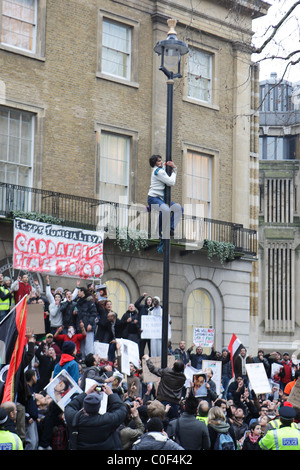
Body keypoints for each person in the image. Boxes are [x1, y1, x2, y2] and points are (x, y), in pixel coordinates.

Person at [64, 383, 127, 450]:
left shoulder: (74, 419)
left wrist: (86, 393)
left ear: (84, 407)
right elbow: (121, 410)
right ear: (99, 407)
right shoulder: (107, 420)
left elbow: (69, 406)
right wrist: (111, 394)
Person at [147, 154, 183, 253]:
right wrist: (174, 170)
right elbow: (171, 182)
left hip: (162, 199)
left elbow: (165, 167)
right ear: (154, 163)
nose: (161, 162)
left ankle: (171, 228)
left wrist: (171, 165)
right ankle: (158, 230)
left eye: (161, 160)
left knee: (178, 208)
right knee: (166, 210)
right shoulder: (158, 171)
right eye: (159, 161)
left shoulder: (161, 169)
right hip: (153, 198)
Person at [143, 355, 186, 420]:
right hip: (174, 403)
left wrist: (147, 359)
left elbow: (152, 369)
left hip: (163, 401)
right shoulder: (183, 378)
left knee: (160, 420)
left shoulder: (166, 372)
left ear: (173, 366)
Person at [74, 286, 98, 359]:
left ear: (82, 292)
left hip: (88, 326)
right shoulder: (78, 302)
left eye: (78, 291)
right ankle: (83, 359)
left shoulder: (89, 301)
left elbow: (93, 313)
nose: (77, 293)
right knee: (82, 345)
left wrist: (90, 324)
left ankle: (90, 359)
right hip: (80, 327)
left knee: (88, 345)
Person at [24, 369, 39, 450]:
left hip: (34, 419)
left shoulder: (31, 388)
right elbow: (24, 405)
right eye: (36, 375)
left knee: (35, 441)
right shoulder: (26, 389)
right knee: (31, 442)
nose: (37, 378)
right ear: (33, 377)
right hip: (29, 419)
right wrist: (27, 416)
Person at [135, 293, 153, 358]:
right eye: (148, 300)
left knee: (151, 349)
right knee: (141, 349)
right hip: (143, 331)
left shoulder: (153, 309)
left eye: (150, 300)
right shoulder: (142, 307)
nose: (149, 301)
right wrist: (142, 296)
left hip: (150, 333)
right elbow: (136, 304)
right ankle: (141, 362)